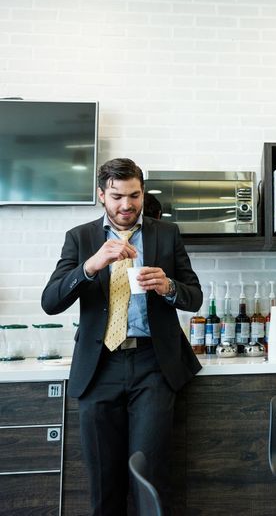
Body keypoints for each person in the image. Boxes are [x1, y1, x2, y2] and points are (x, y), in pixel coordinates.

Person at [41, 158, 202, 515]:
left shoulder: (166, 234)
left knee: (151, 475)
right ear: (102, 195)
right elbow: (50, 302)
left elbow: (194, 295)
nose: (126, 205)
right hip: (99, 369)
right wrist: (90, 267)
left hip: (153, 366)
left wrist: (169, 286)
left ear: (143, 193)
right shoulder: (80, 238)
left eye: (134, 195)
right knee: (104, 480)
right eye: (116, 196)